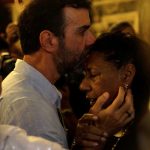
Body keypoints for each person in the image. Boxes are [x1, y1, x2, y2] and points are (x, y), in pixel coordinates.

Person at [0, 0, 95, 148]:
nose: (91, 40)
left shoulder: (31, 88)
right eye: (82, 31)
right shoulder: (31, 111)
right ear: (48, 41)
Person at [74, 32, 150, 150]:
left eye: (93, 74)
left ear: (126, 75)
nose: (82, 86)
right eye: (84, 74)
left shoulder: (144, 136)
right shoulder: (88, 121)